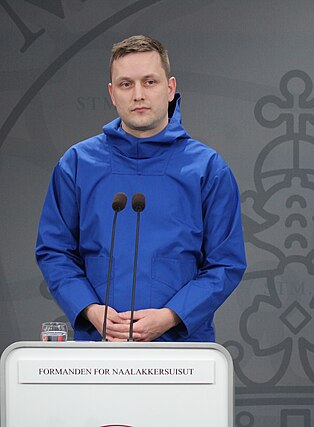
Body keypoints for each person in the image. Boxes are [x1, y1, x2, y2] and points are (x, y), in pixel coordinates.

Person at [36, 35, 246, 342]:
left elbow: (225, 263)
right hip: (99, 347)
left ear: (170, 88)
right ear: (112, 93)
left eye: (149, 82)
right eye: (126, 84)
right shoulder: (77, 164)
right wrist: (89, 309)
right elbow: (54, 250)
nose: (138, 95)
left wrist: (171, 316)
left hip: (181, 350)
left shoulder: (207, 169)